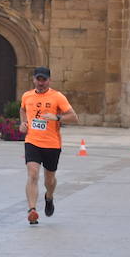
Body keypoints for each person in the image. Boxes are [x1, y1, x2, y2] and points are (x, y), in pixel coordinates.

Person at [20, 66, 77, 225]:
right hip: (32, 141)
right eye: (38, 79)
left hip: (52, 143)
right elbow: (23, 109)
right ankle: (32, 210)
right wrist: (23, 123)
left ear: (49, 80)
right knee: (32, 174)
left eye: (44, 79)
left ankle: (49, 196)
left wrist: (57, 117)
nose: (41, 82)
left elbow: (74, 117)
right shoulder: (27, 96)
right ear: (33, 79)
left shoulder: (57, 97)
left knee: (49, 180)